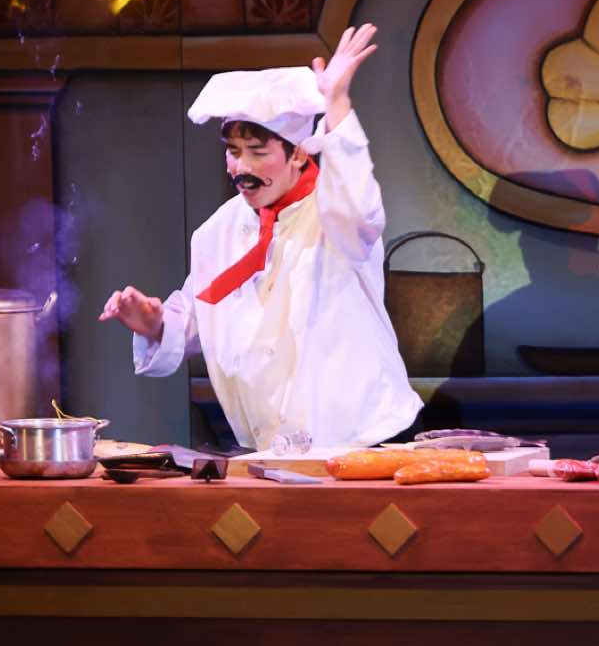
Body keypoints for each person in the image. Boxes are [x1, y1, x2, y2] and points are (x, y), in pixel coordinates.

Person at [99, 23, 422, 450]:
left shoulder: (334, 214)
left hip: (361, 441)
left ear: (298, 153)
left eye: (257, 152)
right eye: (234, 152)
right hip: (275, 449)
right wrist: (154, 324)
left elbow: (358, 204)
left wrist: (337, 103)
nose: (241, 168)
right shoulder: (217, 232)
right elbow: (197, 317)